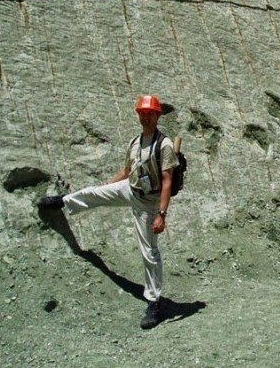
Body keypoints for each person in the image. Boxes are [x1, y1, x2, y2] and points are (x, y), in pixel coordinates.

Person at [38, 94, 179, 329]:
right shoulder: (135, 142)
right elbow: (126, 171)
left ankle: (154, 303)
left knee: (149, 252)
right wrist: (106, 188)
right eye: (142, 113)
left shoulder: (163, 145)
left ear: (157, 116)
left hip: (149, 202)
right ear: (139, 115)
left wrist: (161, 215)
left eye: (150, 113)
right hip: (130, 188)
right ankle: (63, 201)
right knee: (93, 192)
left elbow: (166, 181)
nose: (146, 117)